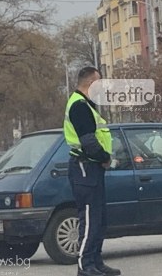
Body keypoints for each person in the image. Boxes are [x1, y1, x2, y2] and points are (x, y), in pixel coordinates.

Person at [64, 66, 120, 276]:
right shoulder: (79, 106)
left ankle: (96, 261)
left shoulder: (87, 105)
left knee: (99, 219)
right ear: (90, 84)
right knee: (89, 219)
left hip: (91, 167)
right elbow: (89, 142)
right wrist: (105, 158)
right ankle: (85, 266)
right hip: (85, 167)